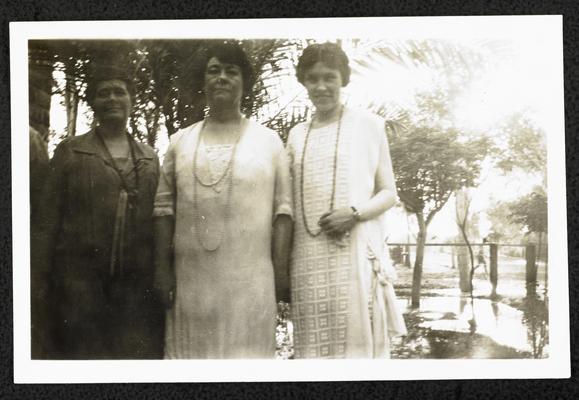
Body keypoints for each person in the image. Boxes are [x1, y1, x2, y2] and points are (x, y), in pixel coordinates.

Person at [153, 41, 293, 359]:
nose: (222, 78)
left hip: (251, 280)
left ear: (244, 83)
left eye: (232, 71)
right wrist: (162, 270)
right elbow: (163, 210)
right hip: (191, 280)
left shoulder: (269, 141)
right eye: (213, 71)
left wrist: (281, 275)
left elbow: (283, 212)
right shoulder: (180, 142)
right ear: (203, 81)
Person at [34, 65, 164, 359]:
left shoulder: (149, 158)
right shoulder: (71, 152)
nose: (112, 99)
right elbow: (46, 222)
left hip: (134, 289)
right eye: (103, 93)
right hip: (79, 288)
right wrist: (39, 282)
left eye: (120, 92)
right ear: (93, 102)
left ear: (132, 99)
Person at [287, 43, 406, 359]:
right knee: (312, 349)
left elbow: (389, 193)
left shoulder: (368, 125)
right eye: (313, 78)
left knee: (355, 347)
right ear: (303, 81)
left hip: (351, 251)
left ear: (343, 80)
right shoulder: (296, 134)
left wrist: (354, 213)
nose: (321, 86)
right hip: (306, 257)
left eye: (330, 77)